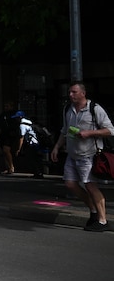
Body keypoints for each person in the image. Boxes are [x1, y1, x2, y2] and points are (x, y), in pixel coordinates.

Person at [50, 81, 114, 232]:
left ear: (83, 93)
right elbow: (65, 130)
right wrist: (57, 147)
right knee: (70, 184)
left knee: (91, 186)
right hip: (72, 154)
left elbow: (110, 130)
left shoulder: (94, 109)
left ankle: (103, 220)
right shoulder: (68, 109)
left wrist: (89, 133)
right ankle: (93, 210)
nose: (70, 95)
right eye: (70, 92)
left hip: (89, 154)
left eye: (74, 92)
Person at [14, 111, 44, 178]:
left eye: (16, 118)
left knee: (33, 158)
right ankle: (39, 173)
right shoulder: (29, 122)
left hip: (32, 144)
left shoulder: (22, 125)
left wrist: (19, 149)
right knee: (37, 159)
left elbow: (21, 137)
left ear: (20, 117)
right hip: (37, 143)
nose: (16, 120)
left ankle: (37, 173)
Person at [0, 100, 20, 174]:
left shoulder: (14, 114)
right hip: (3, 135)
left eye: (7, 106)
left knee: (6, 149)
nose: (6, 107)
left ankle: (11, 166)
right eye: (5, 106)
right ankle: (8, 167)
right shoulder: (3, 114)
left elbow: (14, 125)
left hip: (10, 135)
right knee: (4, 151)